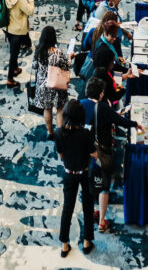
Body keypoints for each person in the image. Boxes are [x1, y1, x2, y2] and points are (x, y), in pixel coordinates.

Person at [81, 77, 138, 233]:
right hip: (102, 153)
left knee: (89, 185)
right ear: (100, 93)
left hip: (84, 153)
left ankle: (91, 213)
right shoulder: (103, 108)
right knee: (104, 186)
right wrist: (135, 124)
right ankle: (101, 221)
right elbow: (119, 121)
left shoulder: (80, 104)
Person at [53, 100, 96, 258]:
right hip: (84, 173)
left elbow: (60, 155)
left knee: (68, 208)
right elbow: (94, 155)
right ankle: (87, 242)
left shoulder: (58, 132)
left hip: (68, 173)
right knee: (88, 207)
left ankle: (64, 245)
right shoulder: (86, 134)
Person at [32, 25, 71, 138]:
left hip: (43, 86)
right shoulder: (58, 52)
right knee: (60, 108)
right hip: (57, 84)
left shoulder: (38, 51)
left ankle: (50, 132)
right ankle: (60, 132)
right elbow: (66, 66)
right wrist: (70, 58)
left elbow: (34, 66)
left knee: (47, 109)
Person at [4, 0, 34, 88]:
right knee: (14, 54)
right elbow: (30, 11)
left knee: (13, 50)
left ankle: (15, 69)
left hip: (7, 27)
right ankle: (10, 79)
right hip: (18, 29)